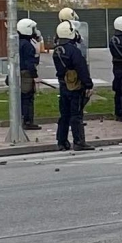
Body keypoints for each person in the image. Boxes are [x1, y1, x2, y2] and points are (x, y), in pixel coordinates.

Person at [53, 20, 94, 151]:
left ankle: (61, 141)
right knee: (76, 115)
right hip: (75, 87)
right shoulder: (74, 51)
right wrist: (88, 84)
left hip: (63, 85)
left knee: (64, 115)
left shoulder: (57, 50)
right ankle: (79, 141)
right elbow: (81, 68)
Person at [17, 18, 41, 130]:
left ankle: (23, 119)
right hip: (26, 74)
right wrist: (35, 76)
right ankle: (28, 121)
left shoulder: (18, 42)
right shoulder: (27, 45)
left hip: (19, 73)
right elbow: (30, 63)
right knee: (28, 98)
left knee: (22, 98)